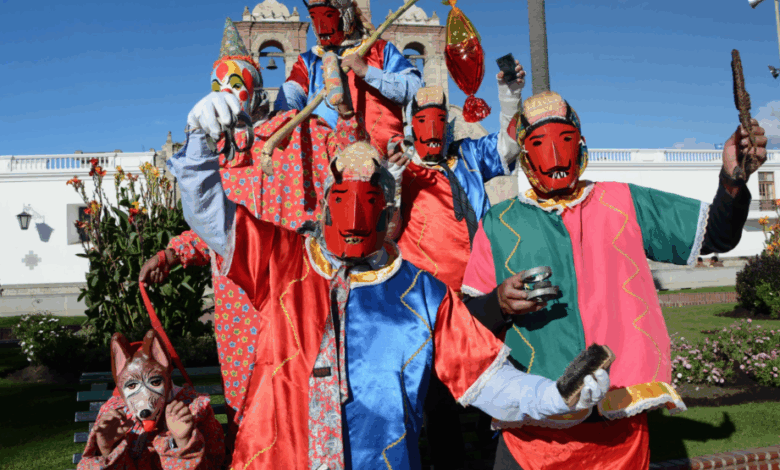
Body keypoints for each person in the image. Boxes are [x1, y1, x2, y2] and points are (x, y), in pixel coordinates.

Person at [167, 93, 612, 468]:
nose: (354, 217)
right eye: (342, 199)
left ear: (388, 210)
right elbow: (209, 214)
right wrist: (198, 145)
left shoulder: (423, 292)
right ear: (325, 203)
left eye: (369, 201)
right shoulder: (281, 261)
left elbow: (485, 378)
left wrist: (552, 395)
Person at [460, 90, 768, 470]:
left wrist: (733, 179)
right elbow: (470, 323)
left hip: (618, 425)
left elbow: (717, 235)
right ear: (525, 152)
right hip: (532, 430)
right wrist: (499, 303)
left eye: (564, 140)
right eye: (539, 143)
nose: (555, 157)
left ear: (581, 144)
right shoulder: (500, 222)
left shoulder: (622, 201)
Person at [138, 20, 369, 451]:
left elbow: (353, 167)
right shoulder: (221, 152)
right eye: (218, 84)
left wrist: (344, 110)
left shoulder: (305, 133)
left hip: (300, 291)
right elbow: (211, 224)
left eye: (237, 81)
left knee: (309, 395)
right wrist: (173, 253)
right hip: (236, 304)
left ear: (257, 85)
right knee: (247, 403)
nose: (229, 92)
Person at [389, 61, 525, 293]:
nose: (432, 130)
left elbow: (509, 146)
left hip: (482, 285)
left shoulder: (469, 154)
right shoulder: (403, 169)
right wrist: (391, 185)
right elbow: (388, 230)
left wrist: (510, 95)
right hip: (426, 293)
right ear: (412, 126)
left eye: (439, 120)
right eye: (423, 122)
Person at [274, 0, 422, 157]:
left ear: (346, 17)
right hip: (324, 158)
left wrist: (367, 71)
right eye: (313, 17)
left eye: (328, 16)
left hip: (380, 158)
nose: (321, 27)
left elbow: (414, 90)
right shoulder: (309, 60)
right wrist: (283, 111)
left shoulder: (380, 50)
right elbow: (292, 89)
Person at [78, 331, 224, 470]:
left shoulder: (195, 408)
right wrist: (106, 449)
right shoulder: (113, 413)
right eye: (132, 385)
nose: (145, 398)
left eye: (155, 382)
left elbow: (215, 463)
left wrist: (183, 442)